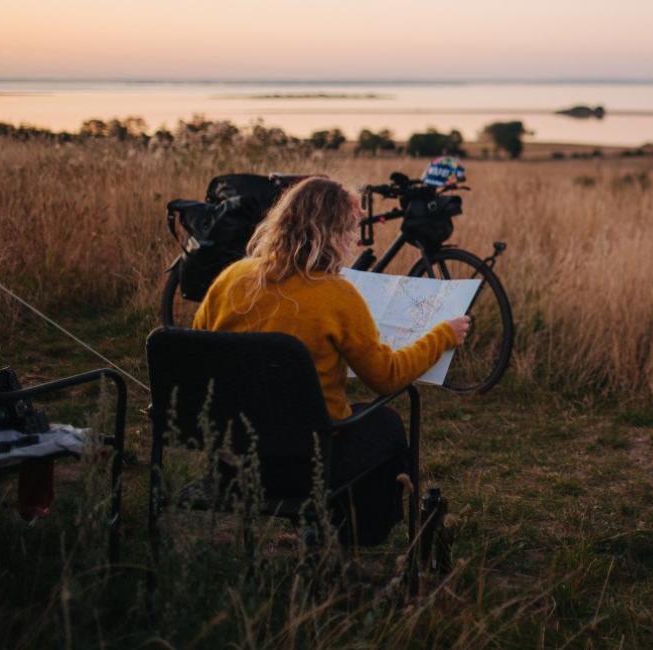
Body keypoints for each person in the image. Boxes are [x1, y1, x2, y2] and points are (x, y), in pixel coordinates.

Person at [192, 177, 470, 546]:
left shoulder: (230, 279)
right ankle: (354, 535)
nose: (354, 239)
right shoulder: (336, 295)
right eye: (351, 230)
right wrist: (442, 335)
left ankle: (330, 533)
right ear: (335, 234)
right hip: (305, 466)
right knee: (385, 423)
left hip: (233, 460)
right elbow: (387, 378)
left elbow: (199, 352)